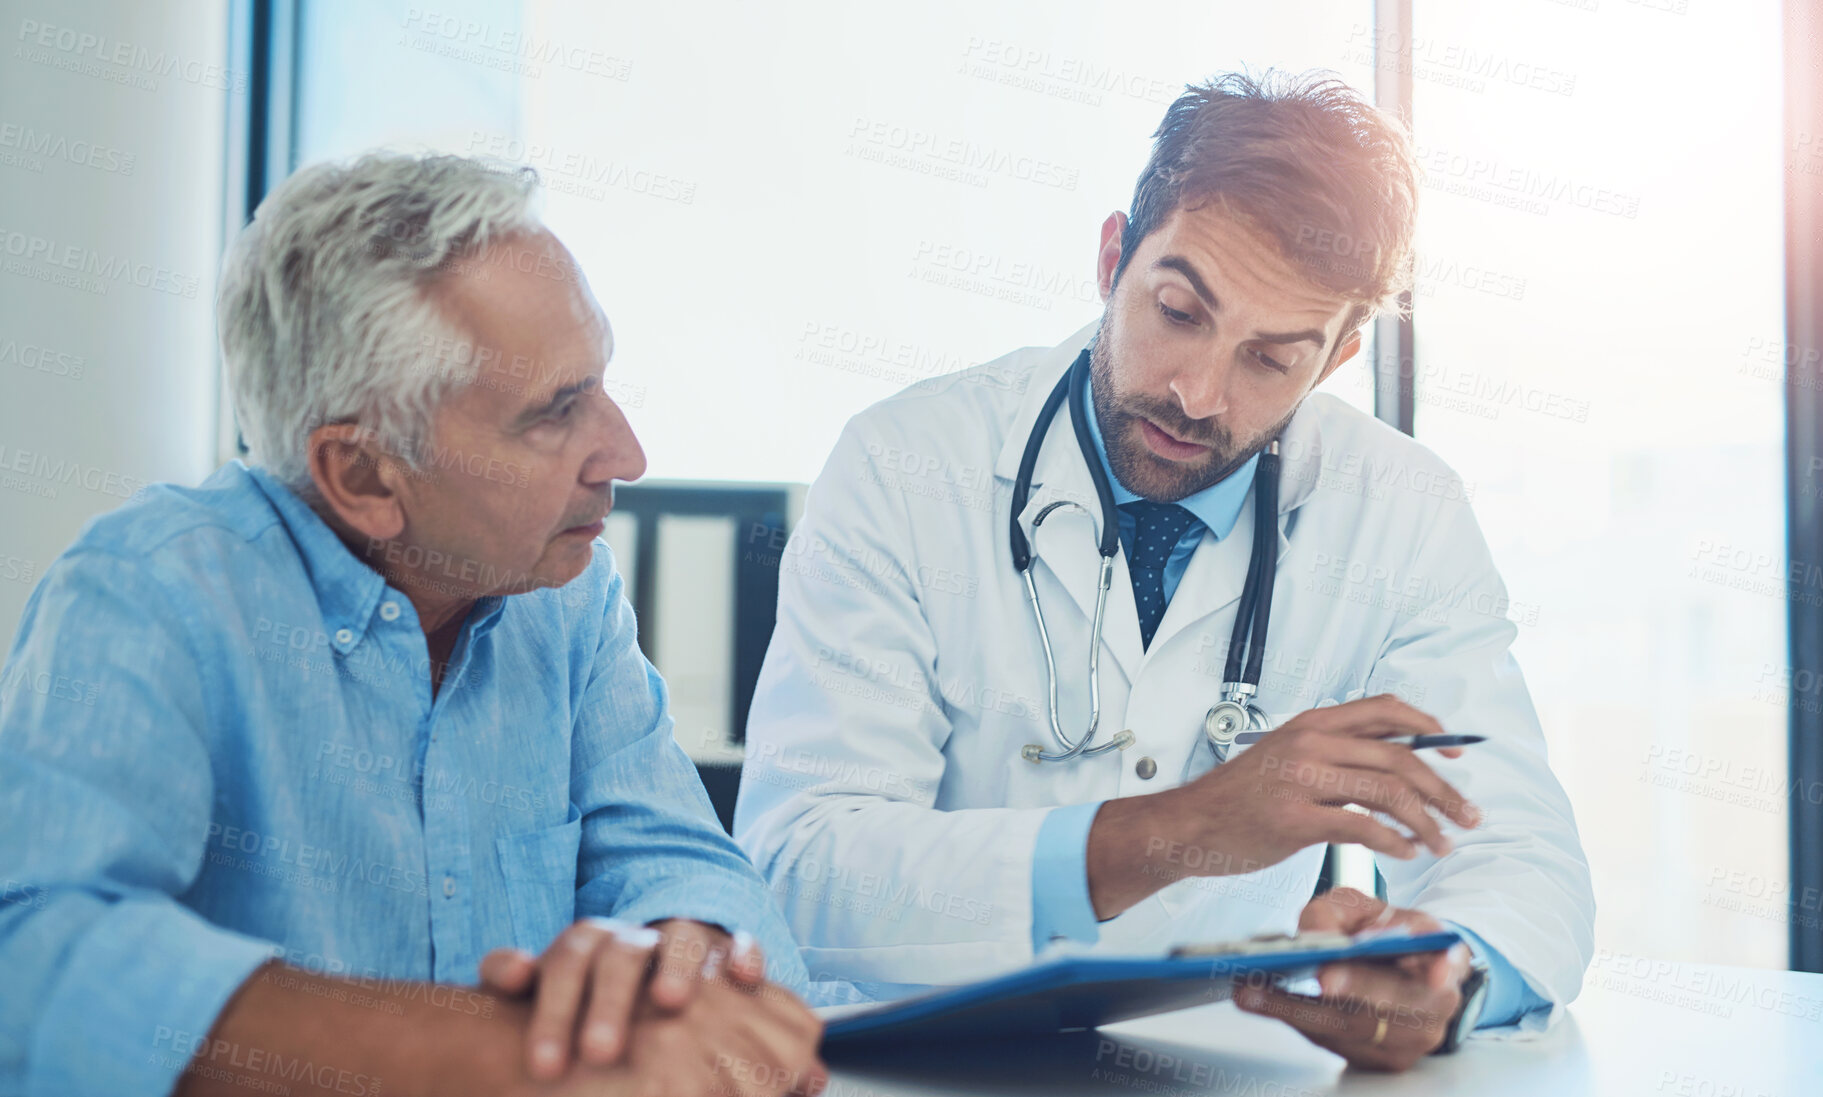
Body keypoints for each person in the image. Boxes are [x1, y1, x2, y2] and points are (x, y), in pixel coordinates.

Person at [735, 71, 1595, 1071]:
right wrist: (1182, 828)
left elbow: (1517, 855)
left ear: (1334, 358)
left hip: (1218, 1066)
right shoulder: (904, 462)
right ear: (1112, 258)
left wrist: (1447, 976)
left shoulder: (1400, 513)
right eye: (1178, 311)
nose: (1196, 394)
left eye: (1270, 359)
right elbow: (799, 866)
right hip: (907, 1064)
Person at [0, 152, 823, 1097]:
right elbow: (31, 961)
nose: (625, 454)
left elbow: (679, 863)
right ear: (361, 475)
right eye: (555, 412)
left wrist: (693, 967)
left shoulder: (567, 594)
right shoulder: (152, 592)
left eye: (598, 384)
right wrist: (487, 1053)